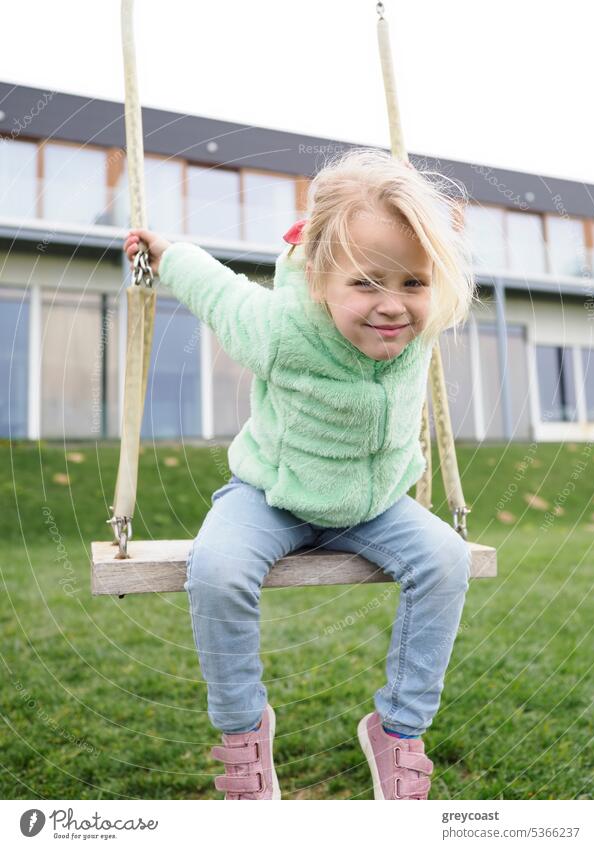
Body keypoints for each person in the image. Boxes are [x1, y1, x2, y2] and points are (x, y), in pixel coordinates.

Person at [123, 147, 477, 800]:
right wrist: (168, 252)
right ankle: (242, 735)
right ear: (319, 277)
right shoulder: (281, 330)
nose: (392, 306)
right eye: (366, 283)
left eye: (412, 283)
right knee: (218, 569)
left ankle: (398, 731)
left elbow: (429, 264)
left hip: (374, 505)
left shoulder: (419, 332)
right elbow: (221, 293)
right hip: (270, 495)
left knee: (448, 559)